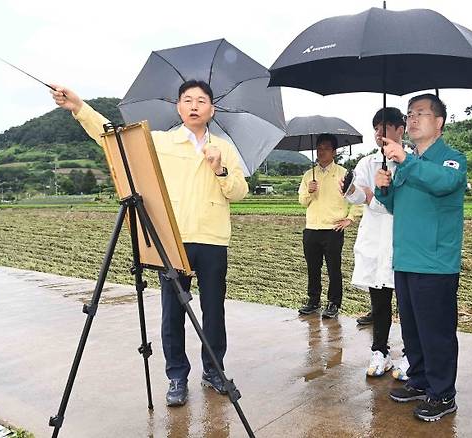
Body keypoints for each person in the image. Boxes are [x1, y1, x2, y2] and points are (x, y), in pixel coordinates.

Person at [50, 80, 248, 407]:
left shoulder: (223, 148)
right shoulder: (161, 142)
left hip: (212, 238)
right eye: (188, 100)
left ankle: (214, 370)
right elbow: (115, 140)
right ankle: (177, 376)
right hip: (170, 238)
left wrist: (220, 169)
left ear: (212, 109)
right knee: (173, 311)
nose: (195, 105)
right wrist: (80, 108)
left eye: (202, 100)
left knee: (214, 310)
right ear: (179, 107)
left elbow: (239, 192)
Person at [375, 94, 467, 422]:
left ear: (439, 123)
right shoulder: (406, 162)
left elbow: (443, 184)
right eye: (410, 114)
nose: (412, 119)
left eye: (422, 114)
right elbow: (397, 206)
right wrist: (384, 189)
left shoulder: (451, 159)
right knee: (413, 330)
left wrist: (405, 162)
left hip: (435, 262)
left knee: (436, 332)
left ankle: (443, 394)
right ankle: (420, 379)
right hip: (407, 259)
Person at [342, 107, 409, 378]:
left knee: (407, 305)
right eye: (375, 128)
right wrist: (349, 190)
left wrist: (372, 196)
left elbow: (396, 205)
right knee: (379, 302)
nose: (378, 133)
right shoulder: (367, 163)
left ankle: (409, 355)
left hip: (401, 240)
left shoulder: (411, 161)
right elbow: (359, 195)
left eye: (384, 128)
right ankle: (379, 352)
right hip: (374, 240)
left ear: (400, 130)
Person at [297, 134, 355, 318]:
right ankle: (313, 301)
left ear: (334, 152)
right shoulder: (309, 175)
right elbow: (302, 201)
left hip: (333, 229)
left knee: (333, 269)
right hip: (312, 228)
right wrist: (309, 191)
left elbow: (359, 200)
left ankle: (333, 303)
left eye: (326, 148)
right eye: (319, 148)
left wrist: (350, 218)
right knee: (313, 268)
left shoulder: (343, 174)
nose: (321, 152)